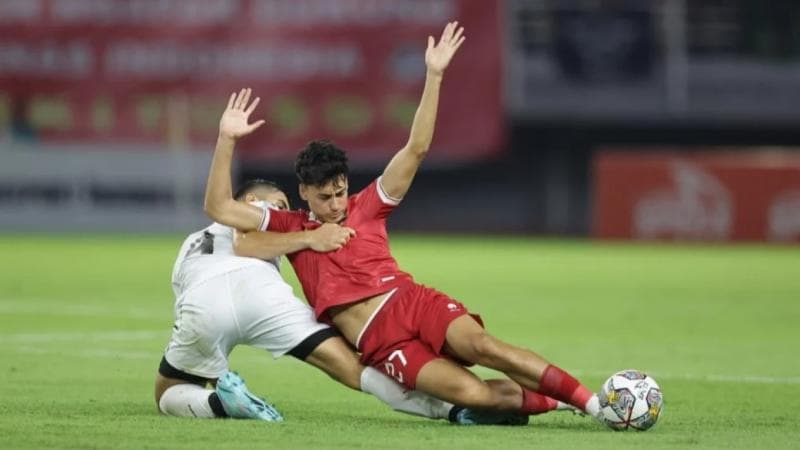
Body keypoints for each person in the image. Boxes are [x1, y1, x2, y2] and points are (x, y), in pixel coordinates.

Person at [205, 22, 598, 420]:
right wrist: (226, 141)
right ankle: (559, 401)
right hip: (379, 342)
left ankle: (594, 404)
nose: (337, 203)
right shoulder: (289, 226)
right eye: (325, 197)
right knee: (472, 393)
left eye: (340, 191)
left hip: (410, 302)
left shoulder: (368, 205)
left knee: (485, 348)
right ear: (304, 191)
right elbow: (219, 208)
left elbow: (417, 148)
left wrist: (435, 75)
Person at [156, 102, 525, 425]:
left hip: (203, 301)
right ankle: (450, 409)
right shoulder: (257, 213)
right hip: (265, 298)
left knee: (169, 389)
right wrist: (310, 237)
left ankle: (219, 404)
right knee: (355, 369)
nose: (282, 210)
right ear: (252, 199)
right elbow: (243, 241)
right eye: (279, 203)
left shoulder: (192, 243)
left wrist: (226, 140)